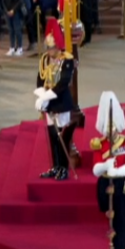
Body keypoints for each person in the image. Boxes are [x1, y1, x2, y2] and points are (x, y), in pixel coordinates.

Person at [90, 92, 125, 249]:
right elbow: (95, 168)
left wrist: (116, 171)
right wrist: (105, 166)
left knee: (121, 222)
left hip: (120, 184)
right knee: (110, 220)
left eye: (113, 127)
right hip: (105, 183)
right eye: (107, 128)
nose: (110, 132)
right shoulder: (99, 144)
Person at [34, 17, 76, 180]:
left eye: (51, 47)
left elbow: (63, 82)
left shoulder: (67, 59)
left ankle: (64, 168)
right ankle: (56, 166)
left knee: (62, 137)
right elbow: (40, 79)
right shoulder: (44, 59)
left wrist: (46, 96)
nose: (49, 51)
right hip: (49, 103)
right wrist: (41, 96)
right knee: (52, 135)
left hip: (61, 102)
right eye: (48, 47)